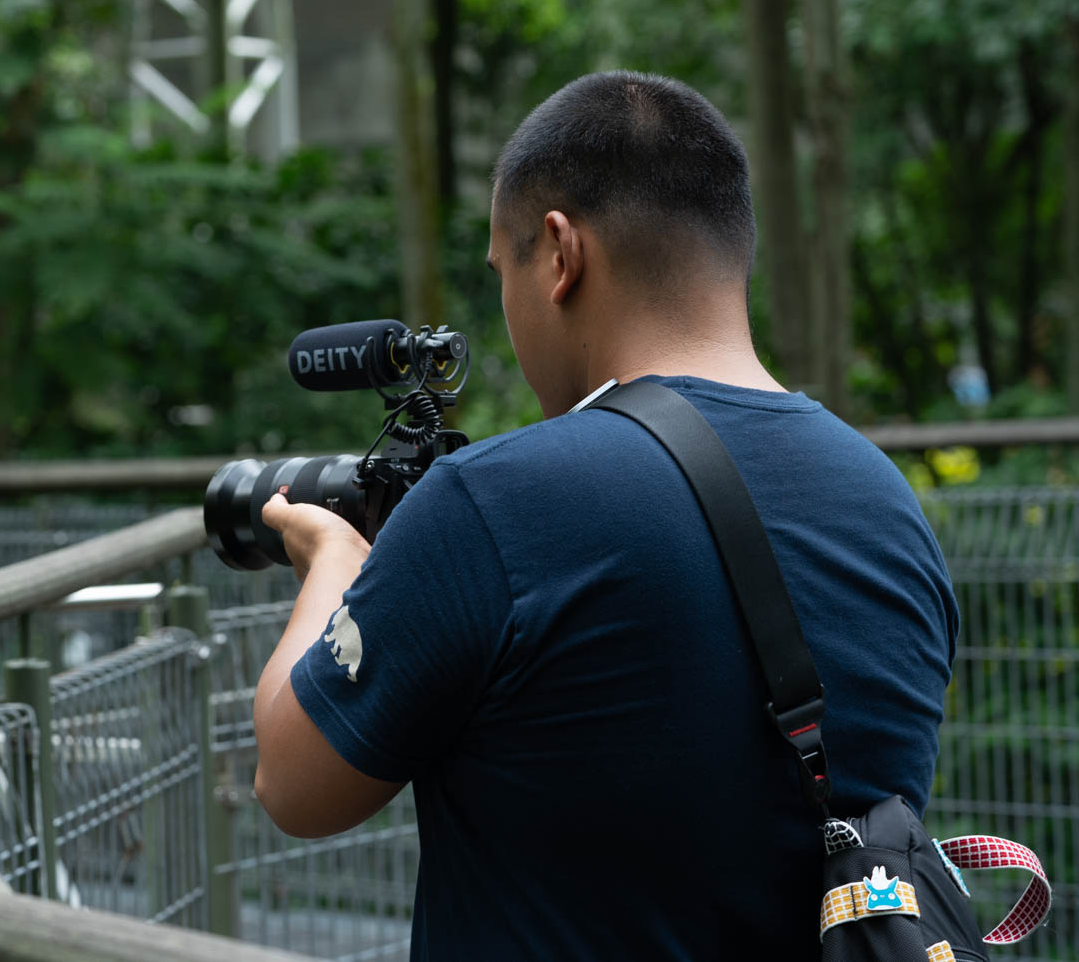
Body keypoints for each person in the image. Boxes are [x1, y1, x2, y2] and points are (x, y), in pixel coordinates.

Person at [252, 70, 957, 960]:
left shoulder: (495, 502)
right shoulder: (888, 504)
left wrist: (333, 563)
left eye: (503, 271)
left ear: (559, 254)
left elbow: (292, 784)